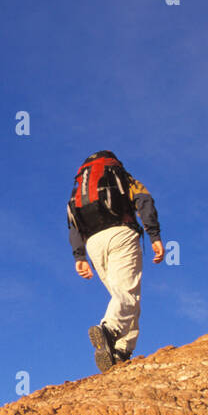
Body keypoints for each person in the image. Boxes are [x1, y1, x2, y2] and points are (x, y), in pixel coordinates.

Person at [66, 150, 163, 372]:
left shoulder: (79, 190)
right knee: (127, 294)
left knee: (123, 295)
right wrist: (154, 235)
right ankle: (108, 330)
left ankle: (121, 351)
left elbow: (72, 223)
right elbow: (144, 201)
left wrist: (79, 256)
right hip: (121, 233)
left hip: (93, 243)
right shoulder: (123, 178)